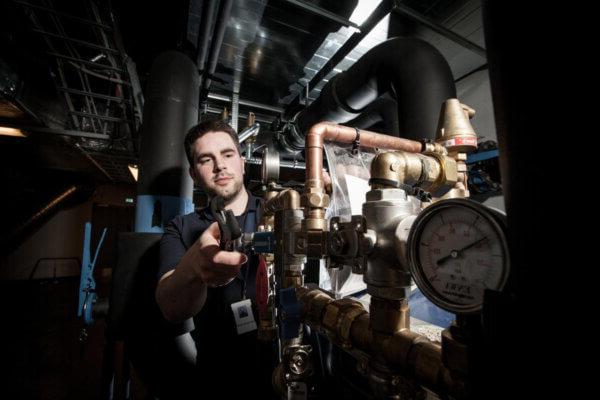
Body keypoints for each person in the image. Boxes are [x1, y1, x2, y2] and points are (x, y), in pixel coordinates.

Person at [155, 119, 277, 398]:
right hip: (217, 377)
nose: (219, 166)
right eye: (206, 159)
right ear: (194, 174)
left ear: (242, 163)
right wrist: (193, 268)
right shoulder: (180, 228)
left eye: (227, 154)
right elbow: (169, 306)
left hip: (286, 366)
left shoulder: (278, 211)